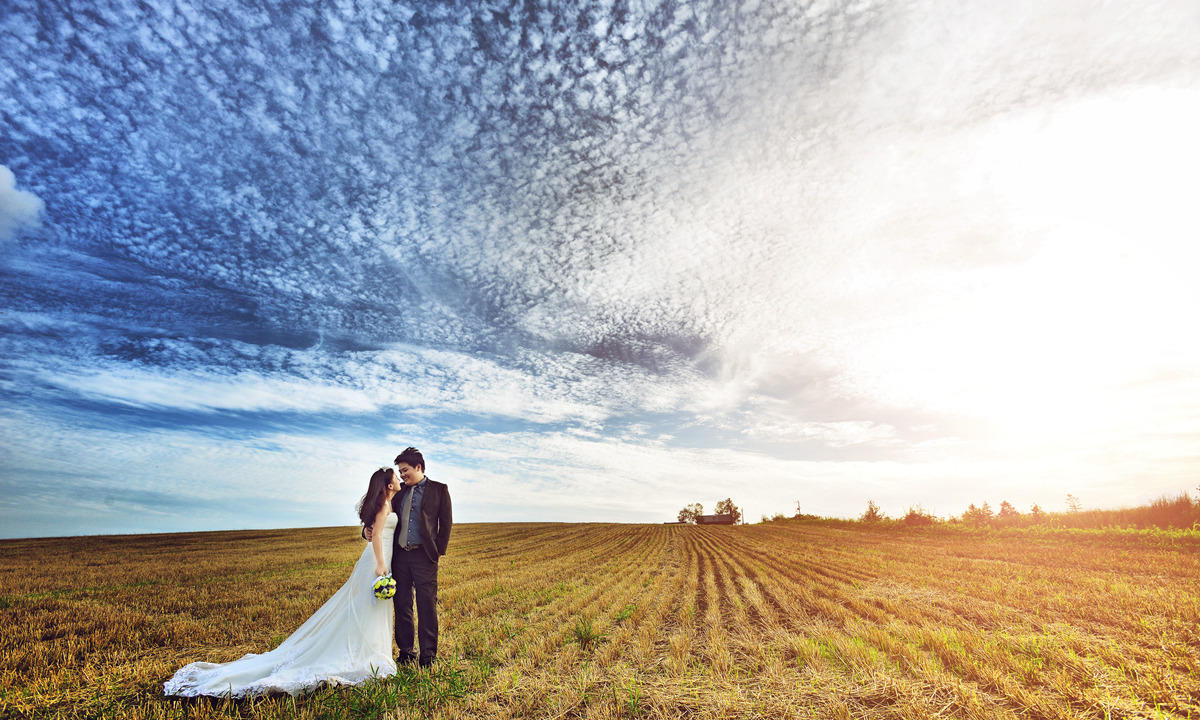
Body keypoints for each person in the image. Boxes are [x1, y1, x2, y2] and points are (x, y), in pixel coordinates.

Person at [163, 468, 402, 697]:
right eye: (395, 476)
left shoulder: (390, 502)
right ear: (389, 485)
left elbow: (374, 532)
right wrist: (380, 565)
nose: (399, 478)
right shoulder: (383, 504)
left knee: (371, 608)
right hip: (376, 561)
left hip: (381, 559)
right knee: (367, 607)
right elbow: (377, 535)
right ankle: (366, 655)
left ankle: (371, 651)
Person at [363, 446, 451, 668]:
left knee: (426, 605)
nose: (402, 475)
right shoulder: (399, 492)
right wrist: (366, 530)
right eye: (399, 471)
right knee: (402, 605)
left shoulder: (439, 490)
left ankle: (428, 655)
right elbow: (377, 512)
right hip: (399, 557)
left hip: (425, 557)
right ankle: (406, 652)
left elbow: (446, 523)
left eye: (405, 470)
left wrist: (438, 551)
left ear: (418, 467)